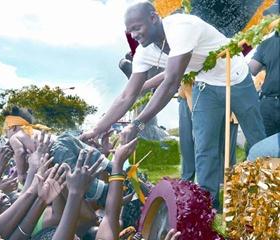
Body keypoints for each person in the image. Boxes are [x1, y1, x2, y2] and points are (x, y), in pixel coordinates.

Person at [81, 1, 266, 210]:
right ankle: (207, 205)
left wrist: (138, 124)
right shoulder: (143, 52)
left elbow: (171, 82)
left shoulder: (181, 27)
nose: (133, 35)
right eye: (129, 31)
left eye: (137, 28)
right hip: (205, 84)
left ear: (153, 17)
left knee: (256, 137)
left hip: (236, 76)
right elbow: (127, 96)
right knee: (204, 146)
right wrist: (97, 129)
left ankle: (269, 190)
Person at [248, 32, 280, 137]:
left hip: (268, 102)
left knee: (264, 144)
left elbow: (252, 69)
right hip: (268, 104)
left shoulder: (266, 43)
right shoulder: (266, 43)